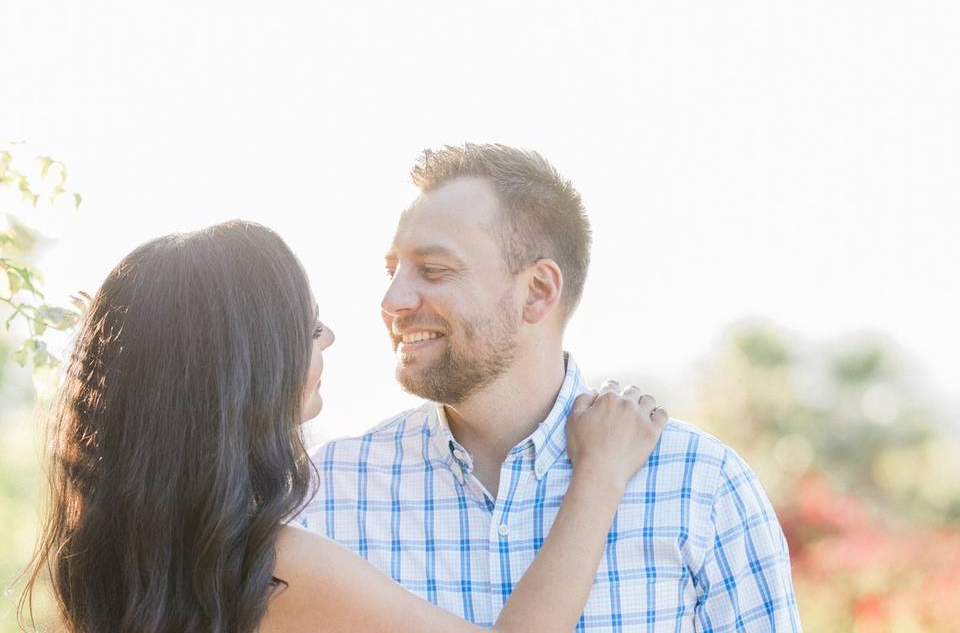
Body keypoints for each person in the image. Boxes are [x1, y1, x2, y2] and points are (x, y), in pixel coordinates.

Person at [19, 220, 667, 633]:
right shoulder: (268, 569)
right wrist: (601, 477)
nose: (327, 336)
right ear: (249, 365)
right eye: (306, 325)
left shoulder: (120, 558)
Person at [300, 144, 803, 631]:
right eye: (393, 271)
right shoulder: (326, 491)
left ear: (537, 292)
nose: (393, 299)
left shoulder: (701, 485)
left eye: (433, 270)